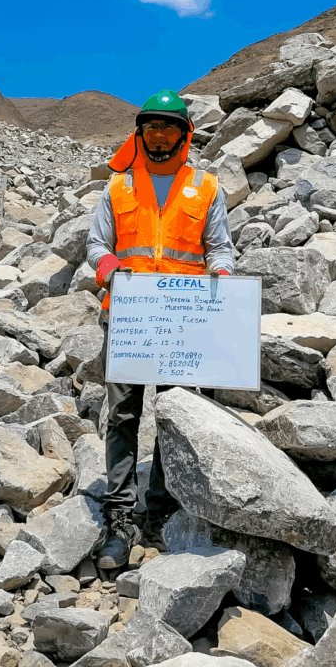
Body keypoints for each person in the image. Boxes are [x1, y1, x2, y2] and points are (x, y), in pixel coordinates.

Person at [85, 89, 235, 569]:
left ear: (186, 134)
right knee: (124, 415)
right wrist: (107, 266)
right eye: (152, 129)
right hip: (129, 317)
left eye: (170, 129)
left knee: (172, 415)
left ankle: (162, 510)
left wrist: (223, 276)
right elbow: (95, 243)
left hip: (183, 322)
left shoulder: (207, 187)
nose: (160, 138)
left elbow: (220, 247)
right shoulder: (117, 188)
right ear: (140, 134)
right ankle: (120, 517)